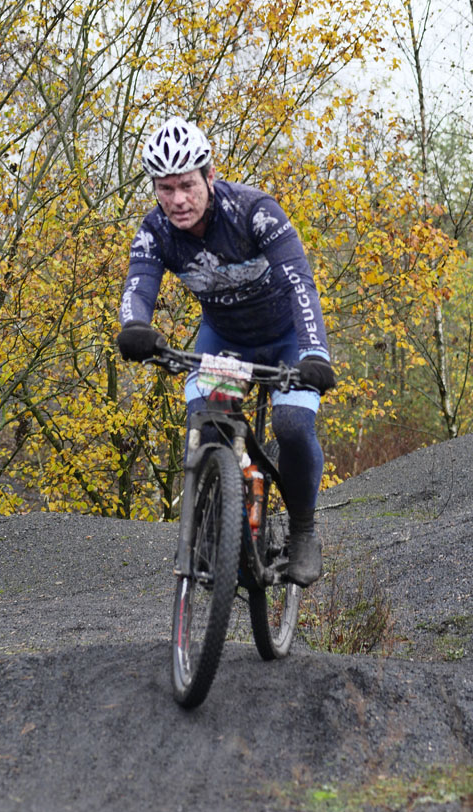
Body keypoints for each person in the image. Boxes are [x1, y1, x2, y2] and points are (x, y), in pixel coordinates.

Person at [116, 117, 336, 587]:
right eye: (166, 188)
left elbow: (300, 282)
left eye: (187, 185)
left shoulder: (255, 212)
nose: (178, 199)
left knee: (292, 425)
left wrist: (315, 352)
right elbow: (139, 284)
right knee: (207, 422)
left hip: (287, 339)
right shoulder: (156, 230)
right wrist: (135, 327)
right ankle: (224, 519)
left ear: (210, 177)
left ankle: (302, 531)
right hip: (226, 343)